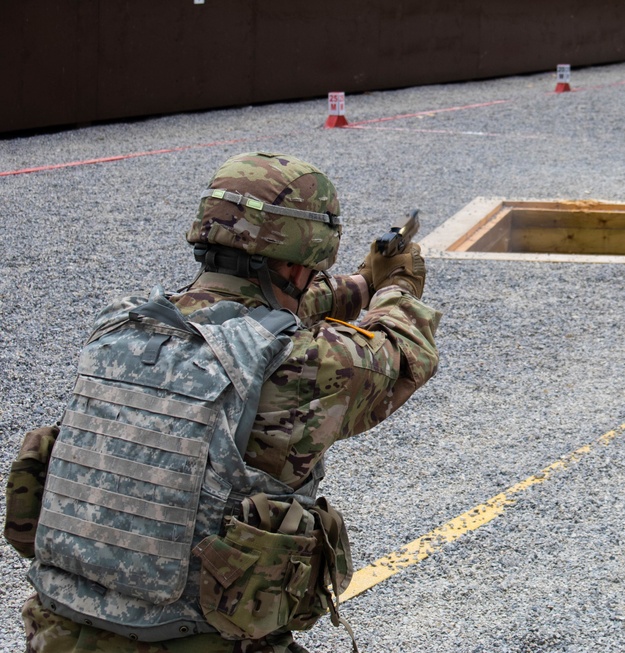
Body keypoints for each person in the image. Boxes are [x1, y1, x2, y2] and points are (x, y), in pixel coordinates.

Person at [16, 152, 442, 652]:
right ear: (295, 260)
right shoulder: (302, 365)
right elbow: (401, 349)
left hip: (59, 630)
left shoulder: (121, 324)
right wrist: (398, 285)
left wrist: (362, 282)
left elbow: (267, 304)